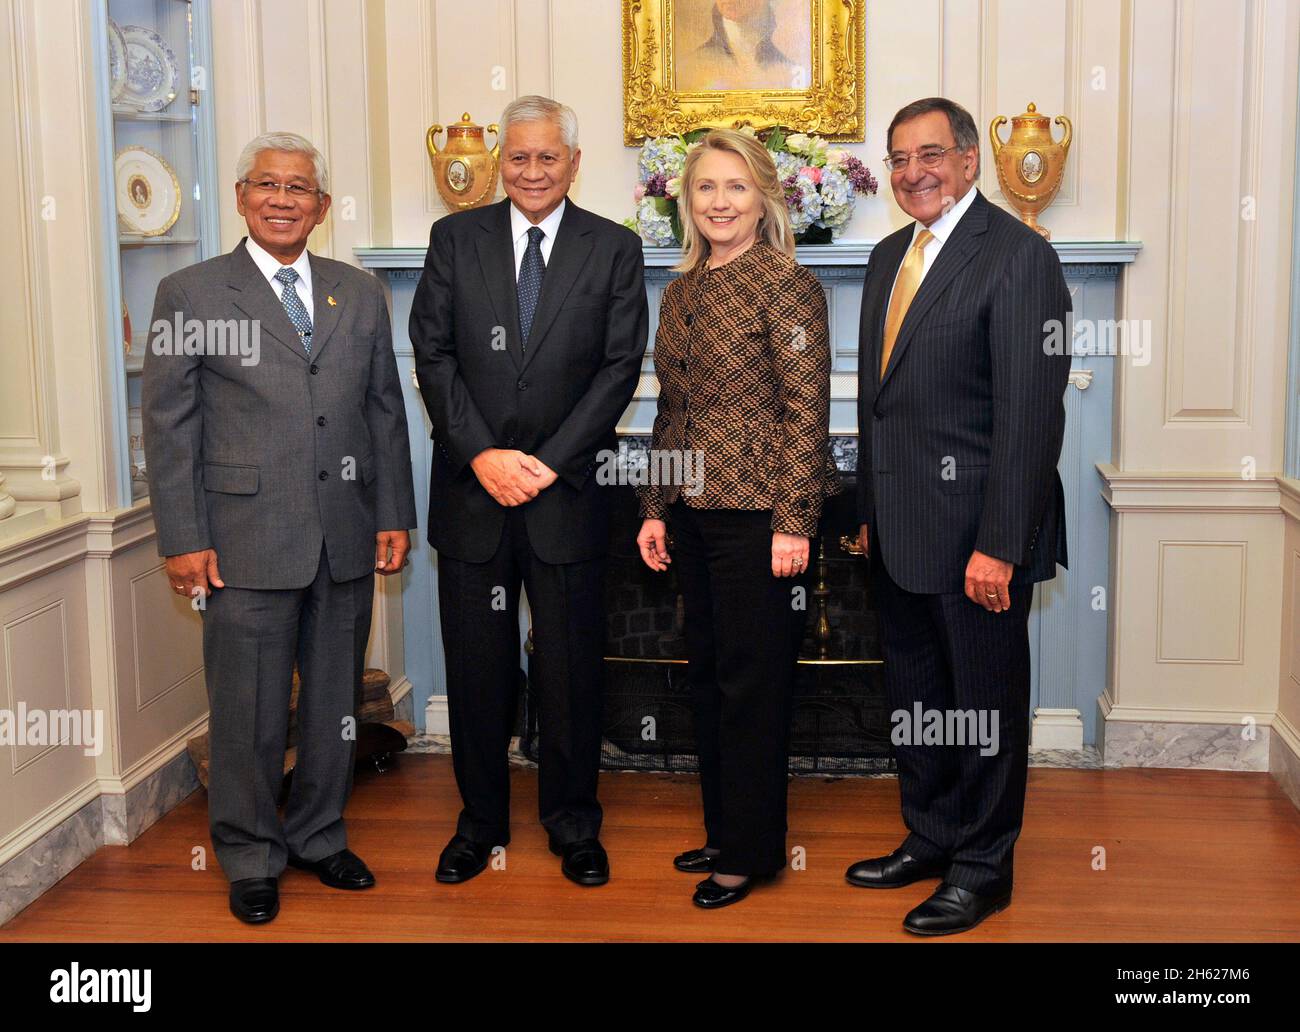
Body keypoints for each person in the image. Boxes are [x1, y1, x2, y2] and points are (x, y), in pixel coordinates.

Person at [142, 131, 418, 924]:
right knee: (249, 711)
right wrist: (182, 537)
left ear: (322, 207)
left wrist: (392, 513)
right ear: (240, 197)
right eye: (268, 184)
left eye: (300, 189)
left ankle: (320, 837)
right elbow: (169, 425)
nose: (283, 199)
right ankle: (251, 854)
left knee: (336, 701)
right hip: (239, 541)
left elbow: (383, 412)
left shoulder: (358, 292)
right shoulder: (189, 293)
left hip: (344, 531)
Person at [409, 96, 649, 887]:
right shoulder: (454, 239)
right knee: (478, 670)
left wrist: (546, 463)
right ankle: (478, 823)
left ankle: (574, 824)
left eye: (548, 157)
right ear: (498, 163)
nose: (533, 171)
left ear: (574, 163)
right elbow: (433, 355)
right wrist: (483, 456)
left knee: (572, 671)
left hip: (568, 493)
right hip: (474, 497)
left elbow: (618, 368)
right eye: (519, 157)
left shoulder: (613, 247)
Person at [847, 97, 1072, 934]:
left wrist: (1000, 546)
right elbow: (882, 406)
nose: (914, 173)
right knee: (916, 701)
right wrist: (868, 511)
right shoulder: (883, 258)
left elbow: (1030, 417)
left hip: (978, 539)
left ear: (972, 160)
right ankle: (932, 836)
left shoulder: (1018, 258)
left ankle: (983, 867)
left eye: (931, 154)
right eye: (900, 158)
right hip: (898, 536)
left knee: (982, 706)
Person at [637, 128, 840, 908]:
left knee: (753, 688)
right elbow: (671, 411)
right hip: (690, 514)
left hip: (759, 518)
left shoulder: (788, 284)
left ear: (764, 198)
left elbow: (806, 413)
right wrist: (654, 507)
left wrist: (796, 521)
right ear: (687, 202)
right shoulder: (682, 289)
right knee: (712, 682)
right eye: (705, 189)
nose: (719, 202)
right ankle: (727, 830)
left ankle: (751, 852)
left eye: (735, 187)